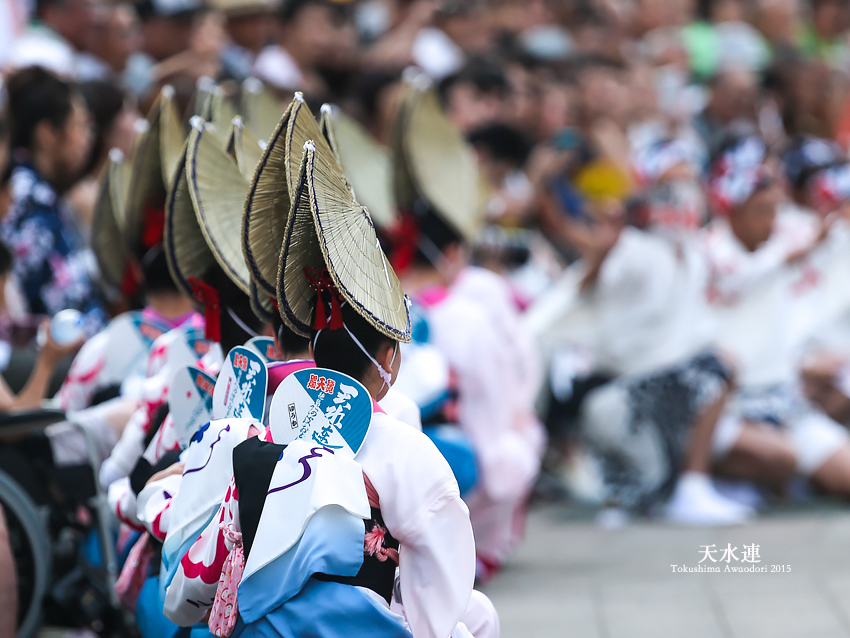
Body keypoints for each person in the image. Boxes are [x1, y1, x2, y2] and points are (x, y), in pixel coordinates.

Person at [164, 133, 498, 638]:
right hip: (356, 627)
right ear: (389, 359)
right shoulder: (403, 443)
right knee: (472, 619)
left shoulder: (252, 417)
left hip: (255, 624)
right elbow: (442, 574)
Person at [703, 135, 850, 498]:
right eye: (761, 211)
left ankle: (791, 480)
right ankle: (721, 479)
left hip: (784, 401)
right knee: (781, 457)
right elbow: (743, 278)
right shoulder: (710, 250)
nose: (772, 221)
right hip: (728, 408)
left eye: (774, 209)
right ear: (732, 210)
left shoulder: (783, 242)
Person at [2, 66, 108, 335]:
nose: (88, 139)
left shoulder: (38, 191)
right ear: (47, 133)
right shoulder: (27, 201)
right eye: (81, 125)